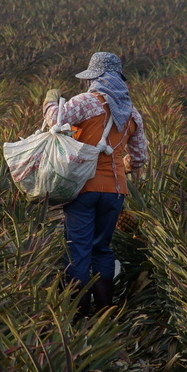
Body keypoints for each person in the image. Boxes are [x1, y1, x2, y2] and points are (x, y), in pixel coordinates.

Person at [43, 52, 149, 319]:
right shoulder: (132, 112)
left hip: (84, 188)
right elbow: (139, 157)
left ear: (96, 78)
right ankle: (105, 313)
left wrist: (49, 100)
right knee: (102, 248)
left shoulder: (88, 103)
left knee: (78, 249)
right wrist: (119, 167)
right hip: (115, 192)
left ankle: (79, 314)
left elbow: (55, 120)